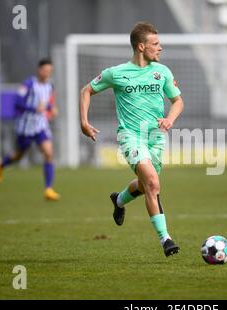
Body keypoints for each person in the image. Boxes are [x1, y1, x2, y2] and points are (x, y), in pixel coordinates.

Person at [79, 22, 184, 257]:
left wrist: (169, 119)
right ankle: (166, 239)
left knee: (146, 183)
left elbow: (178, 101)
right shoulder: (117, 73)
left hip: (155, 137)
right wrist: (83, 122)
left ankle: (118, 201)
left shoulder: (163, 72)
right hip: (131, 136)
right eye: (155, 44)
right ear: (141, 46)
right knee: (153, 184)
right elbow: (86, 91)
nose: (160, 48)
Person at [0, 58, 60, 201]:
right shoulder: (28, 84)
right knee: (18, 156)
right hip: (25, 127)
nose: (47, 73)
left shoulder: (50, 86)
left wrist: (51, 109)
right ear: (39, 70)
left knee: (49, 153)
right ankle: (1, 165)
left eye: (50, 71)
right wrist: (34, 108)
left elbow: (45, 104)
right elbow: (18, 104)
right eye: (45, 70)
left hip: (40, 126)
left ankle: (48, 189)